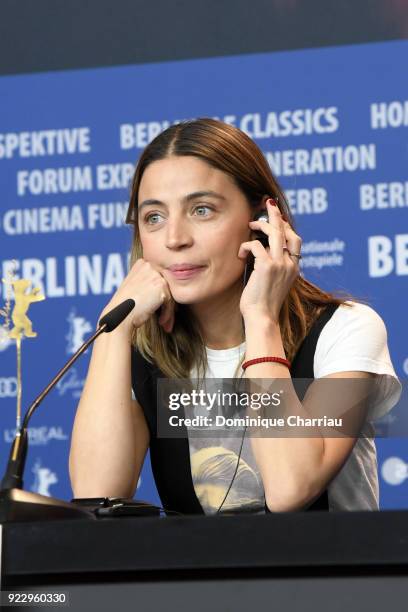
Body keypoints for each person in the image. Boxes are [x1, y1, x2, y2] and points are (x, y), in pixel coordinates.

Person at [69, 118, 402, 514]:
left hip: (329, 574)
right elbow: (96, 496)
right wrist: (115, 330)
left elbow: (290, 489)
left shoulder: (344, 331)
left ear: (263, 219)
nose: (175, 238)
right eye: (154, 217)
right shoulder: (145, 357)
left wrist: (260, 316)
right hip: (199, 577)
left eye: (202, 210)